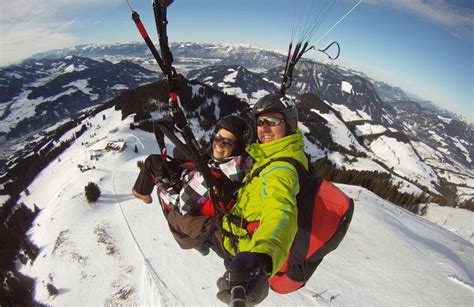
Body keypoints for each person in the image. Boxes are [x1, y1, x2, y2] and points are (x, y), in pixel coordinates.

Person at [214, 93, 309, 304]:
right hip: (242, 228)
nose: (264, 129)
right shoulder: (278, 152)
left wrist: (260, 259)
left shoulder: (281, 170)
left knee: (185, 222)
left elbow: (281, 213)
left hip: (239, 245)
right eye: (260, 122)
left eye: (273, 122)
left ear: (290, 124)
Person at [132, 114, 252, 252]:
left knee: (153, 162)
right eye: (217, 137)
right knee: (179, 151)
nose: (218, 144)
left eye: (227, 142)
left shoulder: (205, 180)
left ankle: (141, 193)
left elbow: (178, 206)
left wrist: (160, 181)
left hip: (191, 216)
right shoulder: (245, 163)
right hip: (214, 189)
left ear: (237, 147)